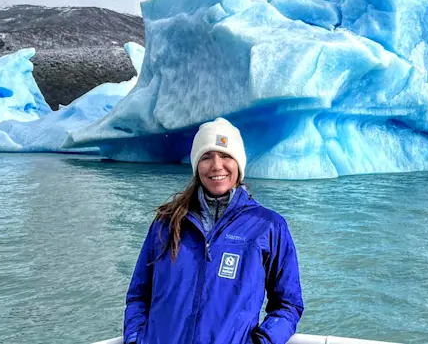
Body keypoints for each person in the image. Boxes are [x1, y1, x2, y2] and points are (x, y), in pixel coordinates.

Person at [123, 117, 304, 344]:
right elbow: (139, 295)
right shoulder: (166, 222)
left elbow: (288, 305)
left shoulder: (268, 226)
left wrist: (262, 342)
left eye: (226, 156)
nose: (216, 166)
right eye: (206, 157)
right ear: (197, 165)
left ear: (239, 163)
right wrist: (134, 339)